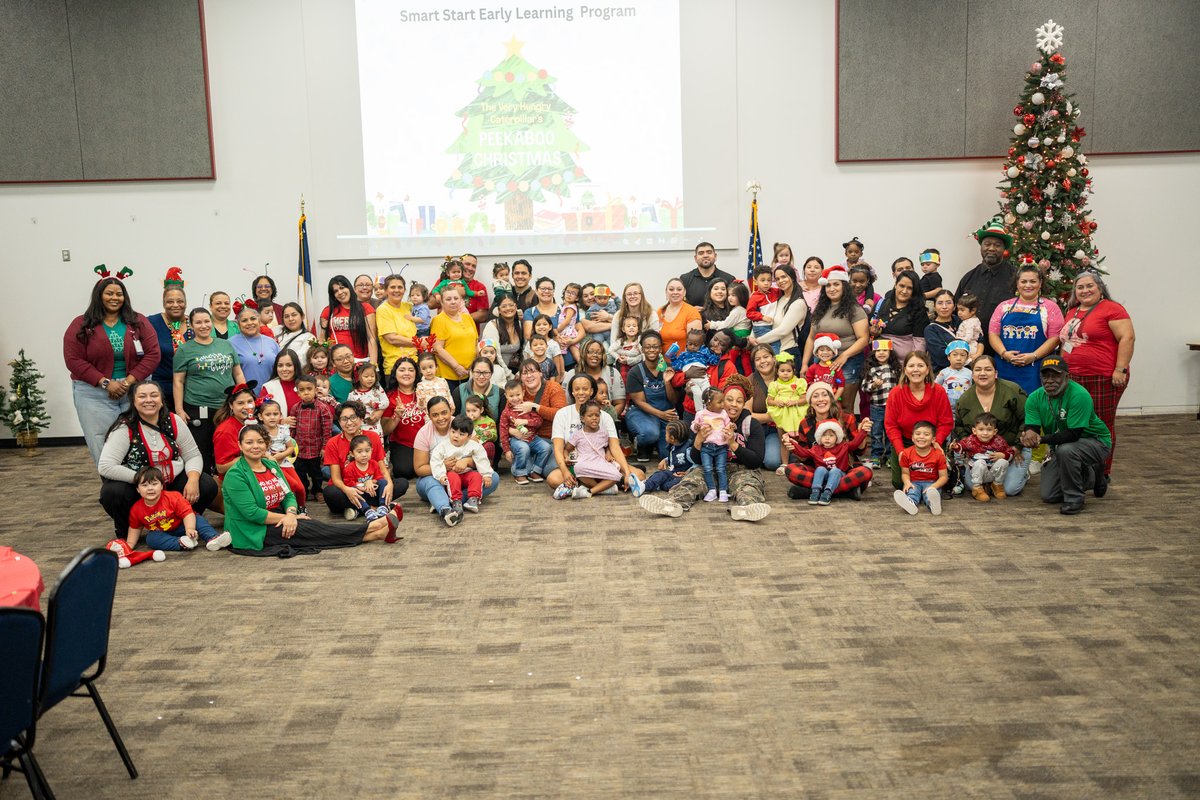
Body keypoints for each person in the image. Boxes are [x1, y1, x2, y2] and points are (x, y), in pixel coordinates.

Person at [224, 424, 401, 555]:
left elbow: (288, 495)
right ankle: (373, 529)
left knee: (313, 528)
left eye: (260, 442)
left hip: (280, 517)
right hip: (255, 530)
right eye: (249, 442)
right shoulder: (236, 475)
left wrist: (292, 513)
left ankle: (375, 532)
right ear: (240, 446)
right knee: (310, 531)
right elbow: (252, 513)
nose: (255, 446)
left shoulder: (270, 465)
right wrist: (288, 517)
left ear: (266, 444)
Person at [639, 375, 771, 521]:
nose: (733, 405)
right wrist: (699, 440)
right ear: (720, 401)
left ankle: (748, 508)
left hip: (741, 470)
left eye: (739, 401)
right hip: (712, 468)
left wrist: (733, 444)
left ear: (744, 404)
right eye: (729, 399)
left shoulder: (751, 425)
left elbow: (756, 461)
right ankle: (673, 504)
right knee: (692, 478)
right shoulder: (706, 421)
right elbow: (696, 460)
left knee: (749, 485)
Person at [98, 380, 217, 537]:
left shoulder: (174, 421)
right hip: (138, 486)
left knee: (207, 485)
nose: (149, 400)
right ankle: (127, 530)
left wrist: (193, 479)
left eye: (154, 395)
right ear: (133, 401)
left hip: (171, 481)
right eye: (142, 396)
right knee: (113, 492)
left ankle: (180, 523)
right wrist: (144, 481)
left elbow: (193, 455)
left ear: (161, 401)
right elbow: (105, 466)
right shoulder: (125, 427)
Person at [64, 275, 162, 464]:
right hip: (93, 394)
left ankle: (141, 487)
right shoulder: (81, 324)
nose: (114, 298)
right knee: (102, 441)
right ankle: (113, 487)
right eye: (109, 293)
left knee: (139, 439)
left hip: (134, 391)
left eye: (119, 294)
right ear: (99, 296)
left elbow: (153, 355)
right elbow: (73, 359)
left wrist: (127, 382)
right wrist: (106, 383)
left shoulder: (137, 321)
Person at [1060, 271, 1135, 476]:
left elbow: (1127, 338)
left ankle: (1102, 471)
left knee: (1100, 423)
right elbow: (1066, 343)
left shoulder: (1112, 309)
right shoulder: (1073, 311)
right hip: (1073, 377)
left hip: (1102, 376)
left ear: (1100, 288)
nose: (1085, 290)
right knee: (1075, 422)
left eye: (1090, 286)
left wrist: (1120, 369)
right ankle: (1082, 468)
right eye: (1080, 287)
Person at [1021, 357, 1111, 514]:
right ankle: (1092, 474)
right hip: (1062, 445)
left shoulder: (1079, 395)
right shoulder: (1034, 398)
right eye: (1045, 376)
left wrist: (1041, 439)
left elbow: (1073, 434)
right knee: (1049, 495)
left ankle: (1074, 499)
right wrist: (1029, 434)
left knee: (1066, 451)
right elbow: (1032, 427)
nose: (1049, 381)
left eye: (1055, 376)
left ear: (1067, 377)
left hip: (1095, 441)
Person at [172, 308, 245, 474]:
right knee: (202, 450)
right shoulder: (184, 350)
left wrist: (246, 397)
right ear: (191, 325)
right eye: (198, 322)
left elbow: (238, 373)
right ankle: (205, 487)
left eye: (206, 321)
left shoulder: (226, 345)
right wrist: (179, 410)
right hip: (198, 408)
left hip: (226, 407)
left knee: (227, 449)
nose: (203, 325)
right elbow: (178, 381)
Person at [545, 373, 643, 494]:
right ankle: (607, 486)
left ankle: (587, 487)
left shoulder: (605, 417)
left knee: (639, 475)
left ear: (591, 391)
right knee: (553, 479)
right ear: (572, 392)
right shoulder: (562, 414)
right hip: (576, 465)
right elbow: (558, 448)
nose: (581, 392)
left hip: (602, 463)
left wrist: (627, 472)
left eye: (585, 389)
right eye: (577, 389)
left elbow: (615, 447)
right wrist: (564, 471)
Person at [413, 397, 499, 526]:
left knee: (493, 478)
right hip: (437, 478)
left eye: (444, 412)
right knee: (431, 483)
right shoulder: (424, 433)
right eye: (435, 415)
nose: (441, 418)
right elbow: (419, 469)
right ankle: (444, 509)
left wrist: (467, 461)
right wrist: (444, 467)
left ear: (451, 410)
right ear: (429, 416)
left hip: (463, 476)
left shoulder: (463, 424)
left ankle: (444, 500)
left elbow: (478, 454)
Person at [780, 382, 874, 500]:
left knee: (865, 472)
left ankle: (812, 491)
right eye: (815, 396)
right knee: (791, 469)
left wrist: (862, 432)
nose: (821, 399)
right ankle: (844, 491)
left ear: (831, 398)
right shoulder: (805, 423)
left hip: (844, 469)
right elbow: (804, 457)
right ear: (810, 402)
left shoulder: (846, 418)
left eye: (824, 395)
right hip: (818, 470)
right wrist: (793, 446)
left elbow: (860, 450)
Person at [953, 354, 1029, 496]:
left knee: (1010, 489)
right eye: (978, 370)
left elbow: (1027, 419)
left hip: (1013, 448)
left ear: (995, 373)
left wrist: (1017, 446)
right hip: (980, 454)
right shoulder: (964, 399)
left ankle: (1022, 474)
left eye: (988, 369)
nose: (982, 373)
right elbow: (959, 426)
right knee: (971, 485)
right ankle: (991, 478)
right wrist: (970, 447)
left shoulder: (1011, 390)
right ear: (973, 374)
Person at [988, 263, 1065, 394]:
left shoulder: (1050, 308)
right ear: (1017, 284)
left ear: (1040, 283)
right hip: (1005, 367)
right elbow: (993, 334)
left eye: (1033, 281)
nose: (1028, 285)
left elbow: (1055, 338)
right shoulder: (1004, 306)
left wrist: (1033, 356)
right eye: (1023, 281)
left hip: (1035, 369)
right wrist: (1004, 354)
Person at [802, 265, 869, 413]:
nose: (831, 289)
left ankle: (847, 436)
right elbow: (811, 338)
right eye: (828, 285)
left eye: (836, 284)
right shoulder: (820, 309)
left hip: (847, 362)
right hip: (819, 363)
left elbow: (864, 339)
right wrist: (805, 364)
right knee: (820, 405)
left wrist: (844, 356)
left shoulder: (854, 309)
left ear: (844, 286)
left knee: (844, 406)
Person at [884, 351, 954, 489]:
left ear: (927, 369)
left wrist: (937, 442)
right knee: (899, 483)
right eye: (911, 366)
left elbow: (946, 422)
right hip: (905, 442)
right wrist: (900, 450)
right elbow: (891, 425)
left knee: (937, 482)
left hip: (932, 442)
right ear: (905, 370)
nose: (915, 370)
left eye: (920, 365)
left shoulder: (938, 391)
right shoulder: (896, 393)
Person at [323, 400, 401, 516]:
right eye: (344, 419)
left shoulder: (373, 437)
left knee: (401, 484)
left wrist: (389, 484)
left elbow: (382, 469)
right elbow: (336, 478)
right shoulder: (333, 443)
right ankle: (376, 507)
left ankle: (357, 509)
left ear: (361, 418)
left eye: (353, 417)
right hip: (349, 487)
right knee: (330, 492)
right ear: (339, 422)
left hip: (371, 486)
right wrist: (348, 490)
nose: (349, 423)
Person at [125, 466, 229, 552]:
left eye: (154, 484)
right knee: (151, 539)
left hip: (183, 524)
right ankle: (181, 543)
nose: (150, 488)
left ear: (162, 486)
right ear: (138, 489)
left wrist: (190, 528)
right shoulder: (136, 509)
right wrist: (129, 545)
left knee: (198, 519)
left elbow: (187, 514)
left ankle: (213, 538)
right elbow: (135, 528)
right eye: (145, 485)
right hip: (163, 532)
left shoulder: (173, 497)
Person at [956, 216, 1018, 349]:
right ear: (981, 247)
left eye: (997, 245)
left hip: (1004, 348)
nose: (991, 248)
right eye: (987, 244)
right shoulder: (968, 278)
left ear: (1004, 249)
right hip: (972, 348)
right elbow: (957, 311)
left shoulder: (1016, 277)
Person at [624, 331, 679, 461]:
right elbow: (640, 402)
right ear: (642, 349)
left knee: (667, 456)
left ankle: (656, 443)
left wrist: (667, 382)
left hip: (666, 413)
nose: (651, 350)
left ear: (660, 348)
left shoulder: (670, 368)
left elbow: (674, 400)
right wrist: (661, 414)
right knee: (650, 433)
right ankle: (644, 445)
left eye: (655, 346)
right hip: (642, 412)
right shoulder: (635, 372)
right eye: (648, 347)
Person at [787, 420, 867, 506]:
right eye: (824, 435)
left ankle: (827, 493)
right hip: (822, 476)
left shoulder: (844, 446)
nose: (827, 438)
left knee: (835, 471)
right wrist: (792, 444)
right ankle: (815, 491)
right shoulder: (816, 449)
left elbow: (856, 443)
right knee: (820, 469)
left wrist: (863, 431)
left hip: (839, 475)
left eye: (831, 435)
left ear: (837, 437)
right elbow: (803, 452)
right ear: (819, 437)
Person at [558, 400, 628, 498]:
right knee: (578, 468)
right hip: (585, 462)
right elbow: (566, 449)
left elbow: (607, 446)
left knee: (617, 475)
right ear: (582, 418)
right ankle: (603, 489)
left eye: (597, 415)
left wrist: (608, 453)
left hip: (600, 462)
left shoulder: (603, 433)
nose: (594, 418)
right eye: (590, 416)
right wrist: (566, 457)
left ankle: (591, 491)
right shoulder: (578, 435)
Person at [513, 359, 568, 479]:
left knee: (550, 470)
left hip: (550, 439)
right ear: (520, 377)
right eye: (525, 373)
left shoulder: (553, 387)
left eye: (532, 371)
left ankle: (539, 466)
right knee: (520, 470)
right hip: (528, 440)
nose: (529, 376)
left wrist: (535, 407)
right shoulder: (518, 391)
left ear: (541, 373)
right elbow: (507, 417)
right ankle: (533, 466)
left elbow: (560, 414)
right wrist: (512, 431)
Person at [429, 415, 494, 514]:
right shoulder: (442, 446)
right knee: (453, 478)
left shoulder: (473, 446)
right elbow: (436, 461)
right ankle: (456, 501)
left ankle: (472, 499)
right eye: (453, 432)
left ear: (468, 436)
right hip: (451, 474)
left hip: (466, 474)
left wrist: (486, 475)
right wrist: (441, 475)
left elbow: (482, 459)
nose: (456, 436)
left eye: (461, 434)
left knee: (476, 476)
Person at [147, 268, 191, 408]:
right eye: (170, 301)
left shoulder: (195, 324)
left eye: (180, 301)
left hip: (191, 390)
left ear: (186, 302)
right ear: (163, 303)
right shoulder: (151, 323)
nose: (175, 305)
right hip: (161, 389)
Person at [951, 412, 1015, 502]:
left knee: (1003, 462)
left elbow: (1010, 452)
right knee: (980, 463)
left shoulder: (999, 441)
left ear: (995, 431)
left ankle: (997, 485)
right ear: (974, 431)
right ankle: (977, 488)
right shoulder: (971, 440)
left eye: (989, 430)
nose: (985, 433)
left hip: (993, 471)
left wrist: (1003, 455)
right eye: (981, 429)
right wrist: (956, 447)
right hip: (978, 472)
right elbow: (962, 446)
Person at [380, 357, 424, 483]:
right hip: (402, 443)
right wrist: (397, 416)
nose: (406, 373)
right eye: (402, 370)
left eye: (411, 370)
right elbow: (385, 430)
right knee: (403, 472)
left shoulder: (424, 391)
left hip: (426, 442)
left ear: (416, 373)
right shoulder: (389, 397)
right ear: (395, 373)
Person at [750, 264, 808, 361]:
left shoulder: (798, 303)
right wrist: (751, 336)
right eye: (777, 279)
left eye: (783, 276)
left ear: (792, 277)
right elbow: (762, 319)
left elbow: (783, 331)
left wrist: (758, 340)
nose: (780, 281)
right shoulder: (778, 298)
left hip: (788, 352)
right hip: (769, 351)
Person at [429, 284, 478, 395]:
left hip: (469, 374)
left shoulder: (467, 317)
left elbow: (475, 342)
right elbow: (437, 348)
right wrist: (456, 367)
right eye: (448, 299)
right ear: (441, 302)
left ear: (461, 300)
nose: (453, 302)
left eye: (456, 298)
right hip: (448, 376)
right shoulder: (439, 320)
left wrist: (474, 364)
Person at [291, 374, 332, 503]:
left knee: (316, 473)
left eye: (309, 389)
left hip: (316, 448)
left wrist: (325, 447)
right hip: (300, 449)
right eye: (302, 390)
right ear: (297, 392)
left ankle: (317, 490)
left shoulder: (323, 409)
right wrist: (290, 445)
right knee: (300, 472)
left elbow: (327, 430)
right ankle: (303, 490)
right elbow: (292, 429)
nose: (306, 393)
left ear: (315, 390)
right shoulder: (295, 408)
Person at [893, 421, 948, 516]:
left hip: (932, 482)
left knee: (930, 494)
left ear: (933, 439)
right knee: (912, 492)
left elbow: (944, 477)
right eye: (917, 434)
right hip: (914, 482)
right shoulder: (906, 453)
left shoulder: (938, 454)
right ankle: (910, 503)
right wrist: (907, 482)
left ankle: (933, 505)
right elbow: (905, 473)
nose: (921, 437)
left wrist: (934, 486)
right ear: (912, 438)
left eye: (926, 434)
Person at [870, 269, 928, 360]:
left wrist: (913, 365)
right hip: (878, 363)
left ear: (915, 291)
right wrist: (873, 332)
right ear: (895, 285)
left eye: (910, 288)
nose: (904, 291)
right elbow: (868, 330)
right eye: (901, 286)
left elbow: (919, 344)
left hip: (903, 364)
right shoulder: (881, 304)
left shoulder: (919, 311)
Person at [320, 275, 378, 365]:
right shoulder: (328, 311)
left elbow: (371, 338)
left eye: (342, 288)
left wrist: (373, 364)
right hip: (336, 363)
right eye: (335, 291)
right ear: (334, 296)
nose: (340, 292)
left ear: (349, 288)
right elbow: (322, 340)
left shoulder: (366, 308)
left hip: (360, 361)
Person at [257, 397, 304, 504]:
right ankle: (289, 507)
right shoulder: (259, 431)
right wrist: (269, 457)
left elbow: (291, 447)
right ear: (260, 416)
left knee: (300, 488)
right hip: (269, 465)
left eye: (275, 414)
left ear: (280, 415)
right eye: (268, 415)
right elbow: (258, 451)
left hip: (284, 462)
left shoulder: (283, 430)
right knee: (289, 486)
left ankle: (302, 508)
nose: (272, 417)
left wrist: (280, 455)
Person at [564, 337, 626, 418]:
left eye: (599, 353)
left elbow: (620, 403)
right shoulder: (571, 374)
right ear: (583, 353)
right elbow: (565, 404)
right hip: (577, 421)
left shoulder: (612, 373)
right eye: (590, 352)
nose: (595, 355)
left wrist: (603, 421)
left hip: (606, 420)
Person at [499, 379, 545, 485]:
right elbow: (503, 431)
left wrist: (525, 421)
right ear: (506, 396)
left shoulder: (527, 407)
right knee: (524, 448)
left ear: (523, 393)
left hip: (533, 438)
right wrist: (506, 450)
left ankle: (535, 471)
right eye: (511, 396)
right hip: (516, 440)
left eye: (518, 394)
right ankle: (519, 472)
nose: (515, 398)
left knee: (546, 448)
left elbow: (539, 422)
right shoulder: (506, 413)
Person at [862, 340, 900, 468]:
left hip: (893, 407)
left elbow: (901, 386)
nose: (881, 353)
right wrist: (873, 385)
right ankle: (876, 456)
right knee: (876, 431)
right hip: (876, 406)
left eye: (884, 350)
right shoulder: (872, 369)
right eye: (878, 351)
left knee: (890, 431)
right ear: (874, 353)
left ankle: (890, 456)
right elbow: (864, 387)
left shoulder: (895, 368)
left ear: (890, 352)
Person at [211, 382, 259, 480]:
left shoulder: (255, 422)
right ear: (231, 406)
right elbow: (221, 468)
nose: (247, 406)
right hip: (236, 479)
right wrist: (251, 456)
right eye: (240, 403)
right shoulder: (225, 431)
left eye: (250, 401)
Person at [766, 353, 807, 465]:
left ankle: (800, 462)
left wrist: (795, 401)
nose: (785, 373)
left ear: (794, 371)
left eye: (788, 371)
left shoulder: (799, 382)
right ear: (777, 371)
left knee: (799, 440)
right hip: (782, 414)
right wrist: (776, 402)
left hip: (796, 414)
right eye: (782, 371)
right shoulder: (774, 385)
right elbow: (769, 400)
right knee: (784, 440)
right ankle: (784, 464)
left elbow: (805, 398)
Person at [692, 386, 732, 502]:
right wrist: (696, 426)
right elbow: (694, 426)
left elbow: (728, 424)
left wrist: (731, 427)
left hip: (721, 447)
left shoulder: (723, 413)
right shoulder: (701, 414)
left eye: (723, 401)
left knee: (721, 468)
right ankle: (712, 490)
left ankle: (723, 491)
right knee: (707, 469)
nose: (723, 404)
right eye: (719, 402)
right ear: (709, 404)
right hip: (706, 448)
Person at [747, 344, 783, 472]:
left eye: (766, 357)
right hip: (757, 430)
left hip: (779, 430)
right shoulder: (749, 382)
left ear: (774, 358)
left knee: (772, 462)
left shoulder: (785, 376)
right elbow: (747, 414)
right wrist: (772, 416)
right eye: (758, 359)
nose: (762, 361)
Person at [339, 434, 391, 520]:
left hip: (372, 492)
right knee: (353, 491)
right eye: (359, 452)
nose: (364, 455)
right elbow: (348, 483)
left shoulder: (374, 464)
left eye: (367, 451)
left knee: (384, 482)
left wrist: (371, 482)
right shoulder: (349, 468)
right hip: (360, 494)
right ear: (352, 453)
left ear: (371, 451)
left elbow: (379, 478)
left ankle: (382, 506)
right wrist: (361, 486)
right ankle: (368, 511)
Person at [228, 306, 280, 390]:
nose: (249, 323)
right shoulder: (230, 343)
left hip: (272, 394)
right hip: (246, 396)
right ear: (238, 325)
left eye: (253, 319)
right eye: (244, 320)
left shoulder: (271, 342)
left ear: (259, 321)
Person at [375, 274, 417, 376]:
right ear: (385, 290)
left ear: (405, 290)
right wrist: (419, 342)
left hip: (414, 364)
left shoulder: (408, 306)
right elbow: (392, 339)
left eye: (400, 287)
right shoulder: (383, 310)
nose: (396, 290)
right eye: (392, 287)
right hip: (395, 367)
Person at [670, 328, 719, 408]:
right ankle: (700, 411)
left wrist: (716, 354)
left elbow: (713, 361)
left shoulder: (705, 352)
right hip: (691, 380)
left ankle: (708, 410)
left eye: (696, 345)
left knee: (707, 392)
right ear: (687, 343)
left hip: (703, 378)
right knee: (697, 393)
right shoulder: (683, 355)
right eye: (690, 344)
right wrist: (673, 357)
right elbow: (676, 367)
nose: (692, 347)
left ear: (702, 344)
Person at [642, 420, 695, 494]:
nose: (665, 435)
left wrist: (687, 473)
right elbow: (673, 456)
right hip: (672, 472)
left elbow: (696, 464)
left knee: (676, 484)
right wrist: (665, 460)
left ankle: (657, 485)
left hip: (683, 476)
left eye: (666, 434)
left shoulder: (688, 450)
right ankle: (644, 486)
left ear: (672, 438)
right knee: (660, 474)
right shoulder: (674, 446)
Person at [680, 241, 736, 307]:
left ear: (715, 256)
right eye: (701, 253)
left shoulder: (729, 279)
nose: (705, 255)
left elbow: (734, 305)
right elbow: (679, 304)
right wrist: (692, 311)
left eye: (709, 252)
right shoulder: (685, 279)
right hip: (693, 317)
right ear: (695, 258)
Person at [657, 277, 704, 354]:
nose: (675, 292)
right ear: (666, 292)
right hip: (662, 363)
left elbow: (695, 345)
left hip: (684, 362)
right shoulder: (660, 311)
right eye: (671, 289)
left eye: (679, 289)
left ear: (684, 292)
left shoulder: (692, 312)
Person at [481, 294, 525, 373]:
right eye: (504, 306)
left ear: (516, 307)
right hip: (495, 371)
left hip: (514, 370)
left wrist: (520, 372)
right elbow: (496, 355)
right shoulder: (492, 326)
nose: (508, 308)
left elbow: (524, 351)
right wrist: (509, 375)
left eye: (511, 305)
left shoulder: (519, 324)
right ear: (499, 310)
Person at [259, 350, 303, 422]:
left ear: (296, 366)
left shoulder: (306, 384)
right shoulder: (268, 387)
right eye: (280, 365)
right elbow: (262, 416)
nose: (284, 369)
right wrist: (282, 422)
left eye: (289, 365)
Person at [923, 290, 960, 374]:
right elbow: (941, 356)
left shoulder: (961, 322)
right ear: (934, 307)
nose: (944, 307)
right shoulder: (930, 329)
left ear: (954, 306)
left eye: (948, 303)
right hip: (943, 373)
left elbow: (978, 338)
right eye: (940, 303)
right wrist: (966, 357)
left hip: (966, 371)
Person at [700, 279, 747, 346]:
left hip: (738, 348)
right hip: (715, 351)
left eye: (723, 289)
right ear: (710, 292)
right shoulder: (704, 314)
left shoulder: (736, 310)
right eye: (716, 289)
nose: (719, 291)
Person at [347, 363, 389, 438]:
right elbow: (349, 411)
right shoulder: (353, 394)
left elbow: (386, 402)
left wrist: (376, 405)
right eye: (366, 376)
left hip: (376, 428)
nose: (370, 379)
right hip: (360, 429)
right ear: (358, 377)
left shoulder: (377, 389)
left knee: (377, 446)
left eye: (372, 376)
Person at [747, 265, 782, 353]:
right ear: (755, 281)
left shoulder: (775, 291)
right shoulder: (755, 297)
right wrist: (762, 317)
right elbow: (749, 313)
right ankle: (774, 361)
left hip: (772, 325)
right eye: (762, 280)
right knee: (774, 344)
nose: (766, 283)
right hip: (761, 327)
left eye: (769, 280)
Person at [936, 341, 974, 412]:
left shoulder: (970, 373)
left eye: (962, 355)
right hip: (946, 409)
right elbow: (936, 387)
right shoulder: (943, 373)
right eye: (955, 355)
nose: (959, 358)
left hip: (965, 408)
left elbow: (972, 388)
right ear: (948, 357)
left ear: (967, 357)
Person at [276, 302, 316, 367]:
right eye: (286, 316)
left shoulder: (309, 337)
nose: (290, 319)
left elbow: (301, 359)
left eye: (294, 315)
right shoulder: (277, 331)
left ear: (302, 316)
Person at [805, 334, 845, 399]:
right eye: (821, 350)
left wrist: (834, 401)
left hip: (832, 400)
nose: (825, 352)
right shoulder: (812, 368)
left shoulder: (835, 368)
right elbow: (807, 385)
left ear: (833, 353)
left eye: (829, 350)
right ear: (817, 353)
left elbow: (841, 386)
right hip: (816, 401)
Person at [462, 394, 498, 462]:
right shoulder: (465, 421)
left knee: (490, 445)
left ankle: (487, 465)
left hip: (483, 447)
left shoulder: (489, 421)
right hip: (469, 447)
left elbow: (495, 437)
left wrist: (489, 434)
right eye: (468, 411)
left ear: (481, 410)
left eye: (474, 411)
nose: (471, 414)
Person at [460, 253, 491, 325]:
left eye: (473, 266)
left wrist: (458, 319)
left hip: (469, 333)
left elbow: (483, 315)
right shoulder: (445, 281)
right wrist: (454, 292)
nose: (470, 268)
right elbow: (431, 304)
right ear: (459, 265)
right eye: (467, 264)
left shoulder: (480, 287)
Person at [612, 316, 644, 381]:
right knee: (624, 379)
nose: (631, 328)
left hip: (637, 364)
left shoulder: (639, 340)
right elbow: (611, 350)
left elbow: (643, 354)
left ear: (638, 329)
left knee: (637, 379)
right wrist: (618, 358)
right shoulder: (621, 341)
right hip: (623, 366)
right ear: (623, 329)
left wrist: (630, 359)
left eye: (634, 326)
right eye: (628, 326)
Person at [955, 294, 985, 363]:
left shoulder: (970, 322)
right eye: (958, 309)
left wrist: (957, 341)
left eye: (962, 310)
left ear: (973, 311)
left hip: (970, 347)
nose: (959, 313)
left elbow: (968, 337)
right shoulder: (973, 320)